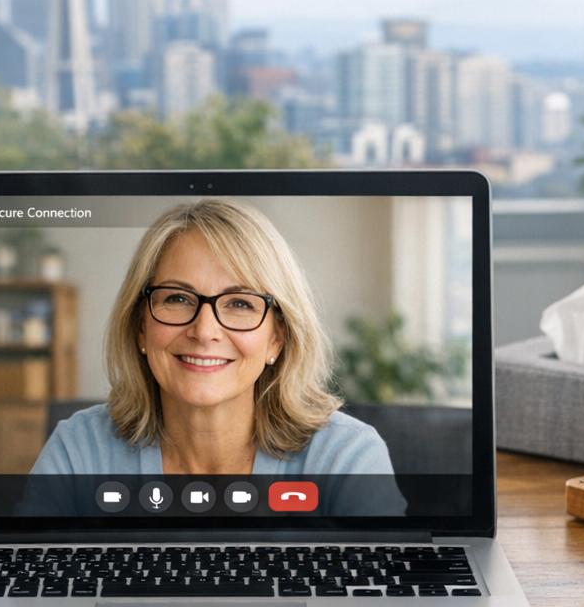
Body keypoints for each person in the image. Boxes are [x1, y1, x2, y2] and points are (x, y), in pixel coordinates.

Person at [26, 198, 405, 516]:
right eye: (176, 298)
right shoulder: (79, 448)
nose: (205, 331)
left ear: (277, 339)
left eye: (240, 303)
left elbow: (381, 602)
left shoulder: (347, 457)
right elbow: (27, 584)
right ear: (141, 326)